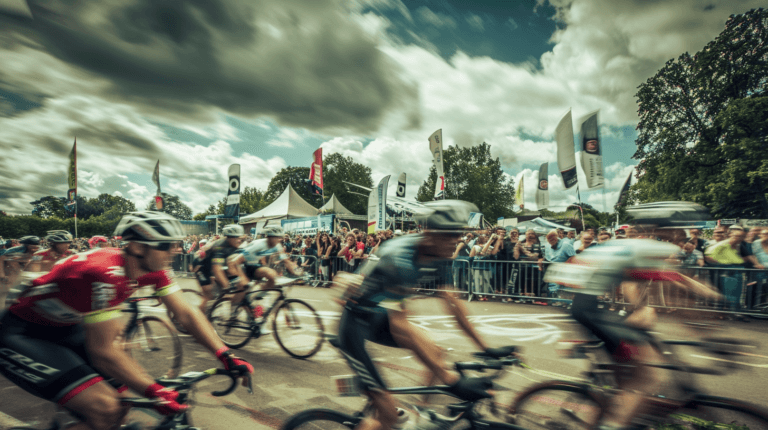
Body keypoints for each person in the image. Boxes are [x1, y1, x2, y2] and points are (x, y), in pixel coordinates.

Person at [0, 212, 253, 430]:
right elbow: (103, 353)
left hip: (67, 327)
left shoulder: (155, 269)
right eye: (167, 245)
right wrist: (156, 392)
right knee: (106, 408)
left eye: (176, 244)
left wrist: (225, 354)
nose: (175, 251)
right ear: (139, 247)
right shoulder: (104, 273)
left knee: (123, 404)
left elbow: (186, 312)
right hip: (23, 333)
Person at [335, 200, 516, 430]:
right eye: (451, 235)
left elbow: (454, 305)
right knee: (388, 416)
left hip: (381, 318)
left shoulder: (440, 255)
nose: (457, 240)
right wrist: (452, 381)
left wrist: (486, 348)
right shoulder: (399, 258)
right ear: (431, 234)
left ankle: (420, 411)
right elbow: (399, 325)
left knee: (437, 353)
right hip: (355, 325)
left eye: (459, 234)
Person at [545, 202, 723, 430]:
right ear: (668, 230)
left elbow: (671, 280)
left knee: (628, 377)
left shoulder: (639, 245)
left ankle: (610, 415)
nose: (683, 235)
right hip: (589, 309)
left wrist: (701, 297)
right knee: (648, 378)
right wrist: (705, 327)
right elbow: (670, 289)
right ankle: (613, 425)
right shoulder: (650, 247)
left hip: (587, 305)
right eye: (679, 230)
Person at [229, 226, 304, 307]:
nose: (278, 240)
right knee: (242, 292)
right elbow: (236, 262)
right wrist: (242, 277)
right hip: (241, 265)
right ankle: (232, 310)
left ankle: (256, 297)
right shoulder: (258, 245)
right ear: (268, 237)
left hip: (253, 265)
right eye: (275, 237)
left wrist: (298, 271)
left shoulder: (277, 246)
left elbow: (287, 261)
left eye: (279, 237)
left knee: (272, 276)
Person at [195, 224, 249, 315]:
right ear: (229, 238)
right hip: (201, 267)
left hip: (213, 266)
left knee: (228, 289)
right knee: (209, 294)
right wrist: (226, 286)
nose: (239, 240)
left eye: (240, 238)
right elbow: (217, 269)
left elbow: (236, 265)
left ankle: (226, 312)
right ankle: (198, 316)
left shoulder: (234, 245)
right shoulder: (220, 247)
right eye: (236, 238)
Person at [544, 230, 576, 306]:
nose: (551, 240)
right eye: (549, 239)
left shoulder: (566, 245)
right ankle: (555, 301)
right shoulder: (547, 246)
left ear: (556, 237)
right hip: (554, 269)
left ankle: (568, 303)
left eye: (552, 238)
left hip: (566, 270)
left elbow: (573, 257)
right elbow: (548, 257)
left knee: (566, 288)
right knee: (553, 287)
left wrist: (564, 265)